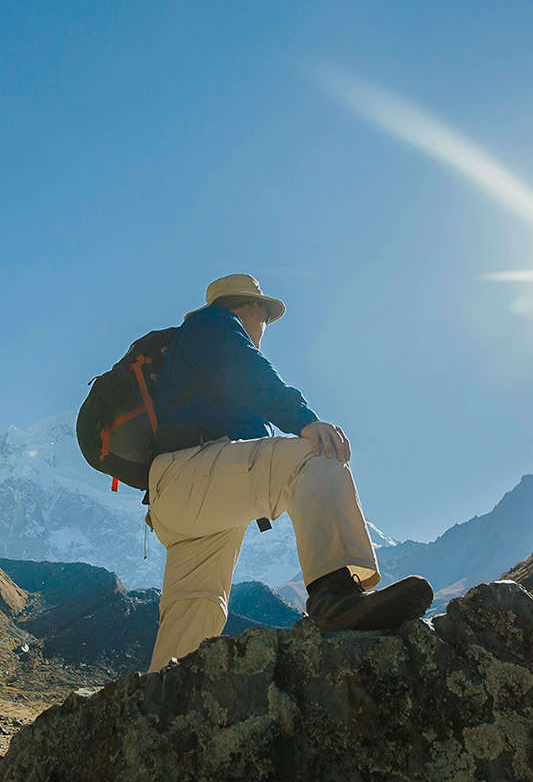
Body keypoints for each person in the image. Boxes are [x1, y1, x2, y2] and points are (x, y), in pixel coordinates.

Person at [146, 273, 433, 671]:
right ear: (252, 309)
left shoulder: (197, 355)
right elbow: (252, 372)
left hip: (183, 496)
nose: (264, 323)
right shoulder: (214, 323)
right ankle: (335, 597)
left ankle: (163, 702)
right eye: (263, 313)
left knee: (197, 605)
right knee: (313, 457)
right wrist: (305, 421)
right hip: (190, 473)